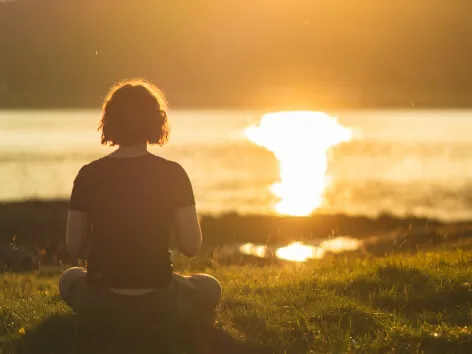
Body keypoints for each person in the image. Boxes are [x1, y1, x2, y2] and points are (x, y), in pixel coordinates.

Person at [58, 79, 222, 329]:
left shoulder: (88, 174)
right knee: (210, 286)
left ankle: (112, 317)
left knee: (69, 277)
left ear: (110, 122)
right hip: (159, 298)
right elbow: (190, 246)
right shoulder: (173, 174)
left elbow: (75, 246)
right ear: (155, 122)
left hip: (100, 299)